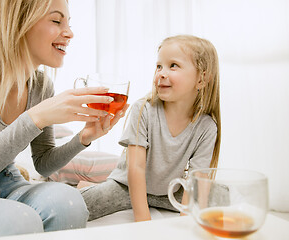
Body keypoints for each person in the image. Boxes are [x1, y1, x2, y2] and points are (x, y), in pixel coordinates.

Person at [0, 0, 128, 239]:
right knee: (17, 220)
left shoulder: (41, 85)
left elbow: (43, 162)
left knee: (69, 203)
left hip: (6, 182)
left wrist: (83, 138)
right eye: (56, 20)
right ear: (19, 22)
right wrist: (35, 117)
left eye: (68, 23)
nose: (69, 32)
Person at [81, 35, 221, 222]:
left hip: (170, 191)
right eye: (159, 66)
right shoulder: (143, 110)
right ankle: (84, 185)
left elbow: (197, 180)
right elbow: (136, 168)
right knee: (81, 205)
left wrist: (187, 222)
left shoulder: (206, 127)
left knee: (222, 196)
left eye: (173, 65)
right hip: (127, 186)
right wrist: (143, 220)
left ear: (202, 79)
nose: (161, 73)